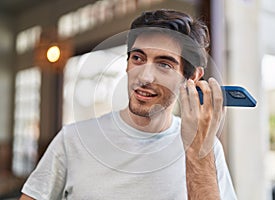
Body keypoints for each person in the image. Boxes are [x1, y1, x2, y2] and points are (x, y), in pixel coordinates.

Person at [20, 9, 237, 200]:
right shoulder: (72, 140)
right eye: (138, 58)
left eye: (164, 64)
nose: (144, 77)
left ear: (193, 77)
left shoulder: (209, 150)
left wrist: (198, 153)